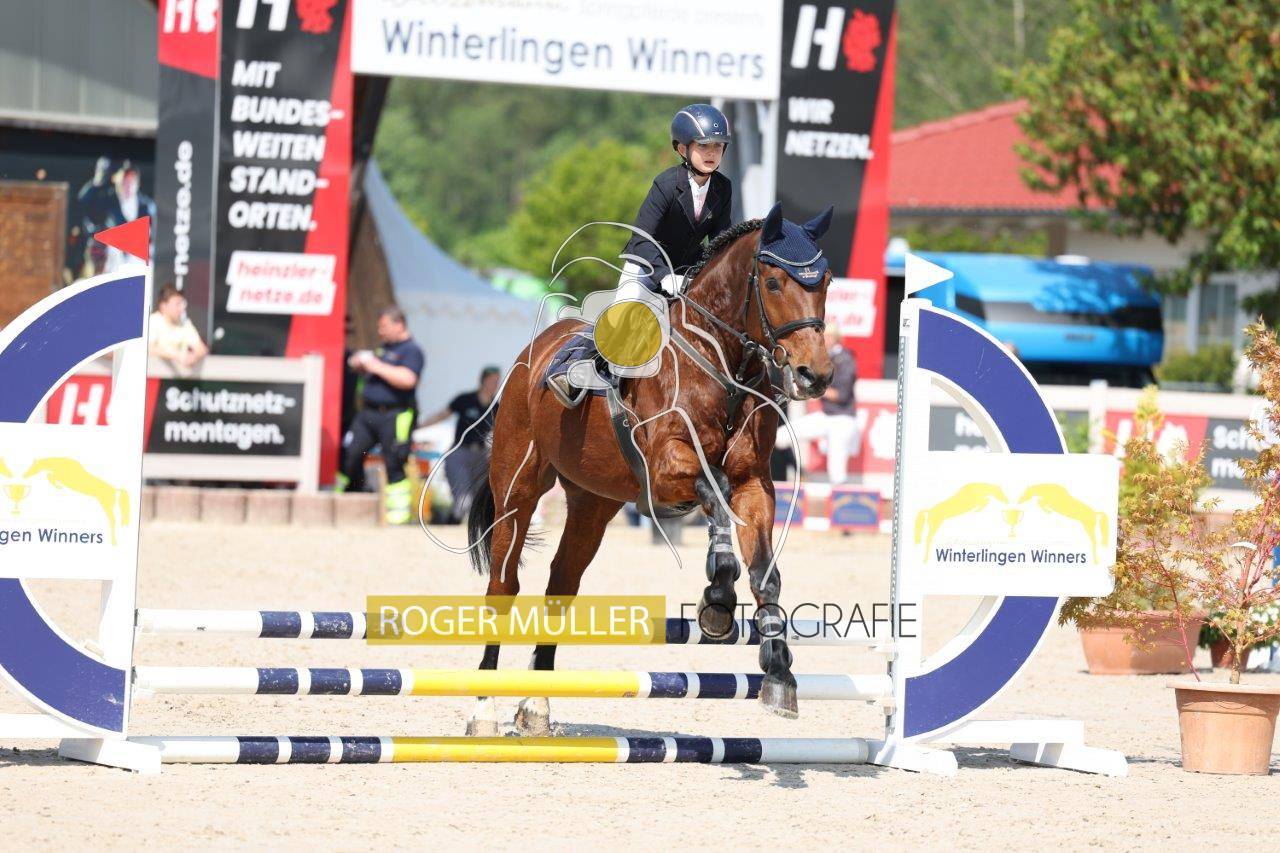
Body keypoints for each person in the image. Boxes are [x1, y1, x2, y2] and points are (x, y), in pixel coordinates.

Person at [548, 103, 734, 408]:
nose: (711, 152)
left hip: (687, 271)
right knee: (624, 316)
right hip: (646, 265)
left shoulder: (723, 188)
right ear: (682, 148)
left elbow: (720, 240)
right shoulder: (666, 184)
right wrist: (664, 276)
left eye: (717, 146)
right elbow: (642, 237)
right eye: (703, 146)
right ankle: (575, 367)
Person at [338, 306, 425, 525]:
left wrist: (375, 366)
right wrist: (360, 364)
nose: (380, 331)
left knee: (394, 462)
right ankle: (352, 495)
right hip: (368, 414)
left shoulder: (412, 350)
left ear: (399, 325)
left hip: (396, 415)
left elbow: (408, 380)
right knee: (350, 453)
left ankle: (398, 514)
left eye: (384, 326)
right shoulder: (383, 348)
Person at [419, 366, 501, 522]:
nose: (495, 385)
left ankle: (464, 526)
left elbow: (501, 433)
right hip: (459, 453)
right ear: (483, 381)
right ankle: (449, 523)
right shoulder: (465, 399)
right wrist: (420, 427)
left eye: (497, 381)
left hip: (481, 456)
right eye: (492, 381)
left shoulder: (495, 407)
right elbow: (442, 415)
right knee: (463, 501)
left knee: (481, 502)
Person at [792, 325, 859, 484]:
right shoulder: (826, 356)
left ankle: (842, 498)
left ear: (835, 339)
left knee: (836, 471)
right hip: (826, 416)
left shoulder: (845, 359)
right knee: (784, 435)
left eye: (827, 337)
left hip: (843, 419)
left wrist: (815, 390)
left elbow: (841, 395)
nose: (823, 341)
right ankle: (800, 472)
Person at [148, 285, 209, 369]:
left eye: (182, 304)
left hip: (179, 376)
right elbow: (148, 348)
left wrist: (193, 357)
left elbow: (201, 349)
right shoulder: (153, 321)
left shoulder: (185, 324)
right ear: (163, 306)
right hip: (156, 376)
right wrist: (177, 356)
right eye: (177, 304)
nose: (182, 308)